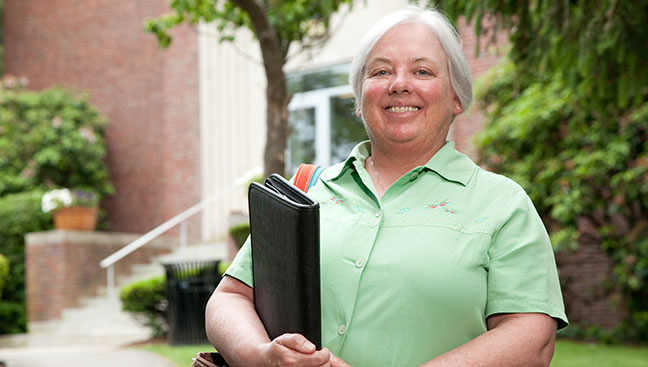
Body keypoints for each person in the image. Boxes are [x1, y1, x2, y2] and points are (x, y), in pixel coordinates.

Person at [205, 4, 568, 367]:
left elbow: (531, 335)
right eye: (380, 71)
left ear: (456, 97)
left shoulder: (503, 205)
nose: (399, 85)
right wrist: (259, 356)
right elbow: (230, 297)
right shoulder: (306, 194)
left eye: (422, 71)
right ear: (360, 100)